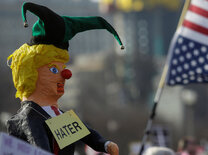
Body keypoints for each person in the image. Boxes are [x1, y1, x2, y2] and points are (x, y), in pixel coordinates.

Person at [6, 2, 124, 155]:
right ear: (30, 74)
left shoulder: (57, 115)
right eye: (54, 70)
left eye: (64, 69)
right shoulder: (30, 116)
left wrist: (104, 144)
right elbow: (39, 146)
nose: (66, 75)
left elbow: (87, 134)